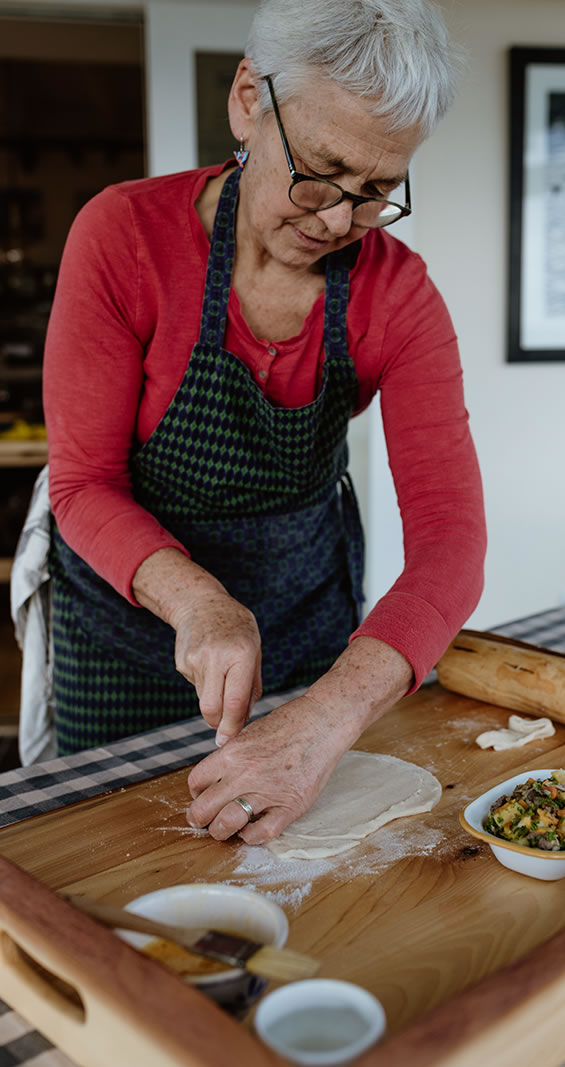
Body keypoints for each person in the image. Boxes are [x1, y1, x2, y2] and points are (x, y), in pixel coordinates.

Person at [42, 0, 486, 845]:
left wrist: (330, 714)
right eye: (319, 170)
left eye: (377, 191)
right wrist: (203, 605)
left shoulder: (399, 295)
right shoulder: (124, 235)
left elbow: (451, 541)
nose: (333, 222)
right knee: (118, 862)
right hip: (124, 644)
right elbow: (82, 485)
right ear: (250, 99)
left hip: (313, 638)